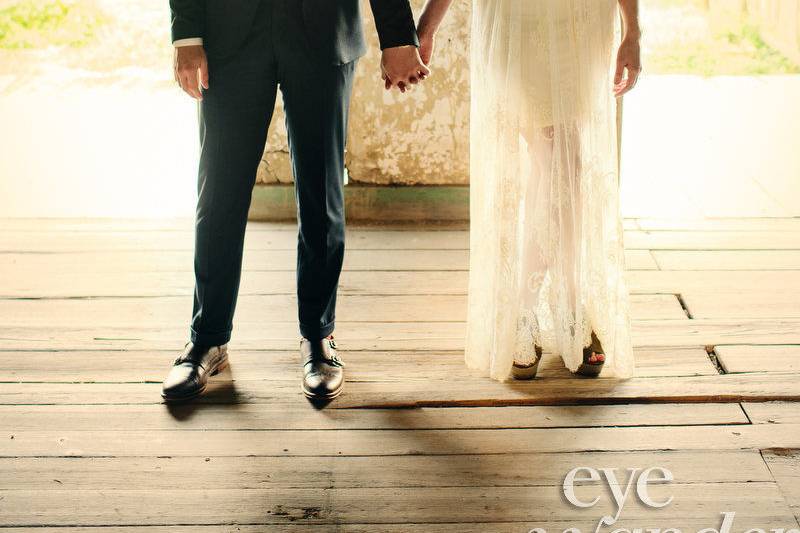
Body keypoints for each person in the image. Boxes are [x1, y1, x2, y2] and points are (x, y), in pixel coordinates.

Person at [161, 0, 429, 402]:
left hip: (324, 27)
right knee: (219, 192)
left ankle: (319, 339)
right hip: (228, 34)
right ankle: (207, 338)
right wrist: (187, 34)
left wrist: (397, 36)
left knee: (322, 194)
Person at [417, 0, 641, 380]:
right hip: (517, 20)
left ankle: (541, 310)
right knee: (558, 162)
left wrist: (633, 30)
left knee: (562, 168)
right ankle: (554, 309)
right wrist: (427, 25)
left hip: (580, 24)